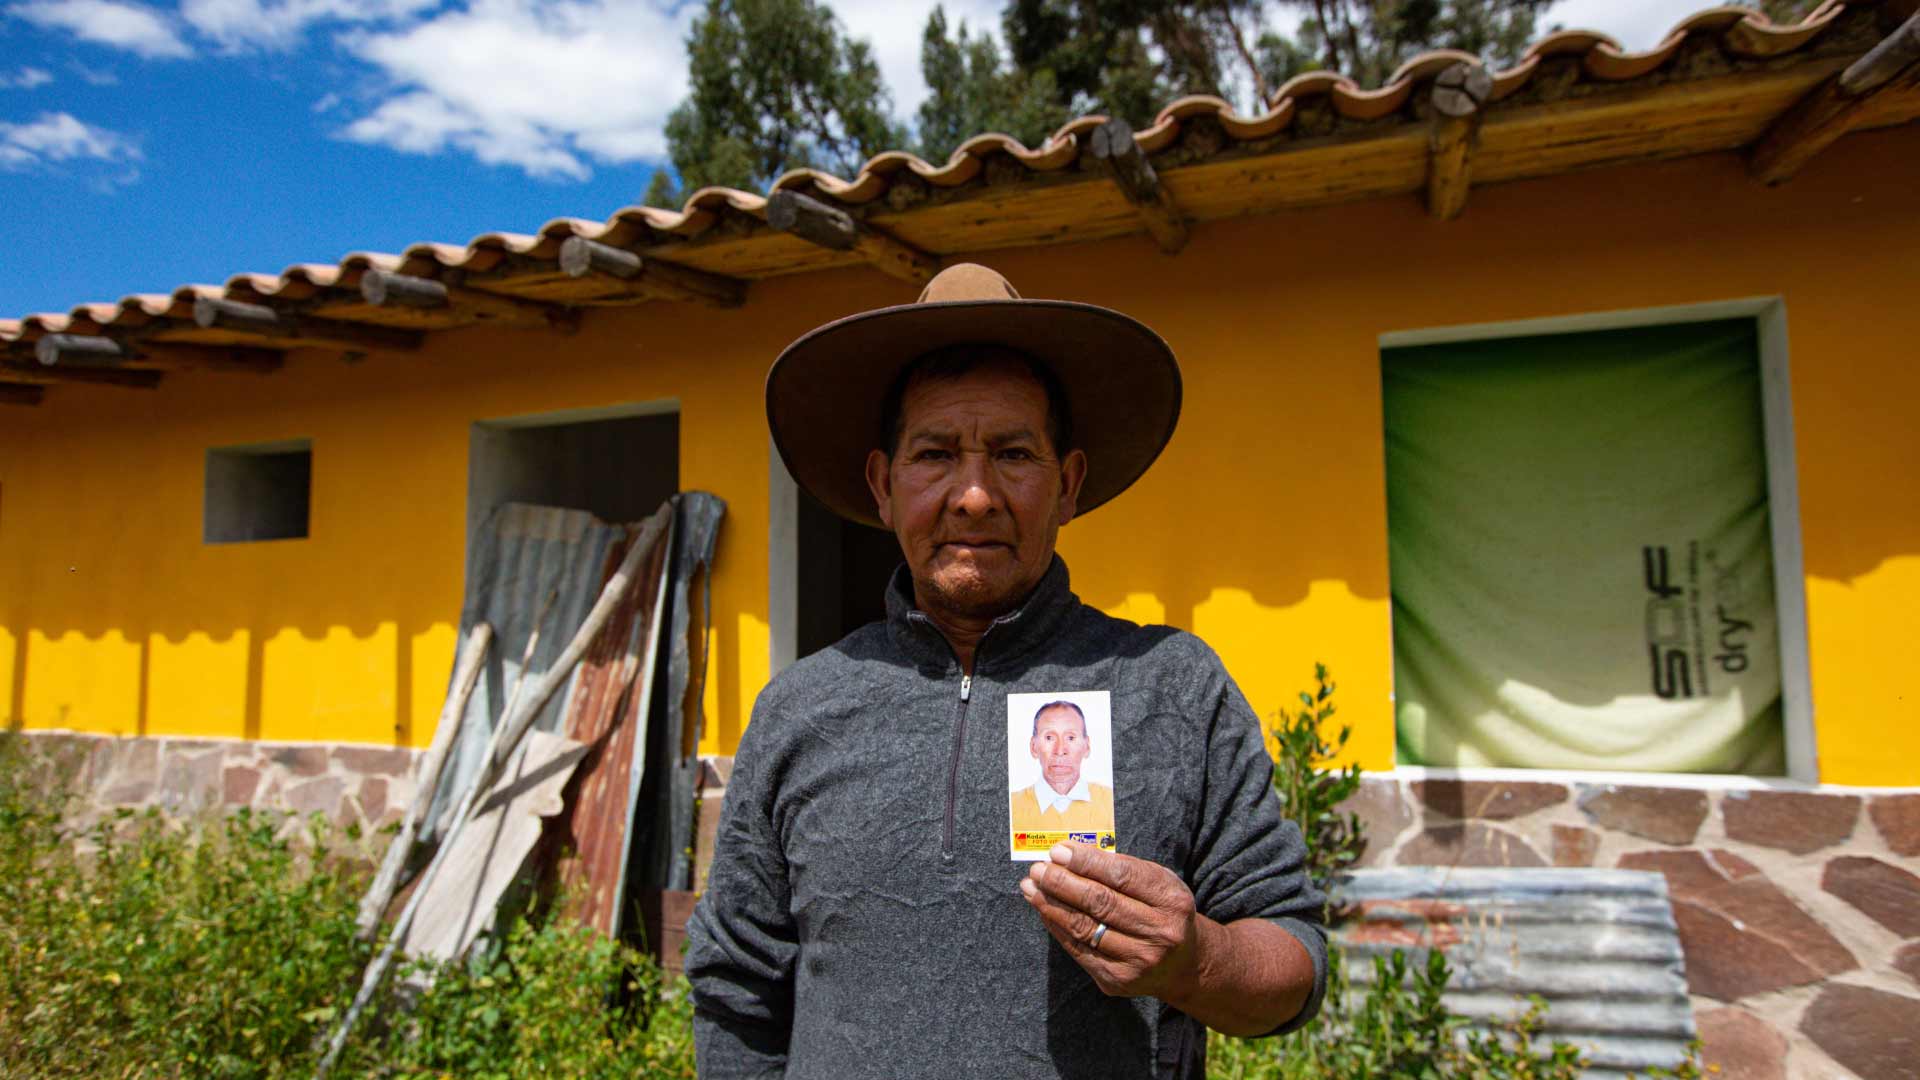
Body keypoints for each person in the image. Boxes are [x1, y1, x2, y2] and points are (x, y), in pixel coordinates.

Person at [685, 263, 1327, 1079]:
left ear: (1068, 484)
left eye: (1014, 453)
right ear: (884, 486)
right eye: (936, 454)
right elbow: (737, 988)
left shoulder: (1172, 685)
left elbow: (1293, 955)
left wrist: (1197, 962)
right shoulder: (801, 707)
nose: (976, 495)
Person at [1010, 700, 1115, 834]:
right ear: (1033, 747)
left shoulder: (1111, 803)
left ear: (1087, 746)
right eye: (1049, 738)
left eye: (1070, 738)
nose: (1060, 750)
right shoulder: (1012, 807)